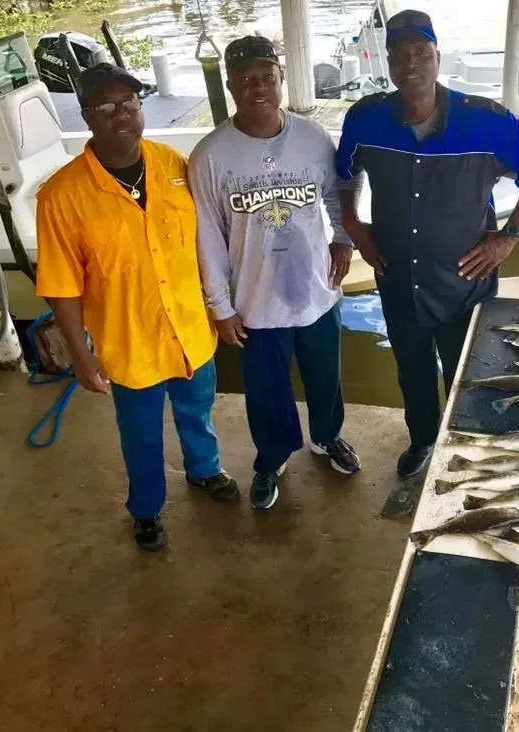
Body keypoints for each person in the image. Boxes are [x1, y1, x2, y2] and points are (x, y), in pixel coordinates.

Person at [336, 10, 519, 478]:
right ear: (389, 63)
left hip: (465, 281)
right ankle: (422, 441)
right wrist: (355, 227)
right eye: (400, 56)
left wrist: (509, 238)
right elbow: (345, 175)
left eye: (421, 53)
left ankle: (466, 445)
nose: (411, 64)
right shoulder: (365, 118)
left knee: (469, 370)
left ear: (438, 58)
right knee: (411, 369)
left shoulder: (486, 120)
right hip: (398, 278)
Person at [35, 63, 239, 552]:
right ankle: (146, 508)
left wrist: (223, 306)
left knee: (198, 412)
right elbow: (62, 287)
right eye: (105, 107)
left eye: (128, 103)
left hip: (189, 330)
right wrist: (81, 358)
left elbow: (208, 242)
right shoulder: (61, 195)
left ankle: (205, 470)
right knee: (141, 436)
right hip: (129, 344)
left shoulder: (174, 165)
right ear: (86, 115)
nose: (120, 115)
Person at [189, 36, 361, 513]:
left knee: (326, 376)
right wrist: (219, 306)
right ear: (230, 85)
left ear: (282, 80)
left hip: (315, 287)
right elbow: (206, 236)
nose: (257, 86)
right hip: (254, 300)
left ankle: (327, 438)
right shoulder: (211, 155)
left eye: (267, 76)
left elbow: (338, 191)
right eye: (246, 79)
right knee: (266, 391)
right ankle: (271, 458)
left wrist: (343, 239)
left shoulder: (312, 136)